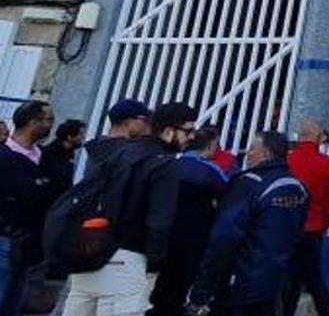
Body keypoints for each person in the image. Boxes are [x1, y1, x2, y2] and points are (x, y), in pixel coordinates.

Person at [63, 102, 196, 316]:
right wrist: (155, 264)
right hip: (129, 259)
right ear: (169, 131)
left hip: (91, 251)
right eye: (189, 130)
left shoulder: (119, 152)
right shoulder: (163, 164)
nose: (192, 137)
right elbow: (159, 221)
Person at [187, 131, 308, 316]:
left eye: (252, 148)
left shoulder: (247, 184)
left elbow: (223, 238)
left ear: (266, 153)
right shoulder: (297, 188)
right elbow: (297, 234)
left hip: (239, 281)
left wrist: (202, 290)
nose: (247, 153)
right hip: (274, 281)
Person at [148, 126, 228, 316]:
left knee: (161, 286)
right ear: (211, 146)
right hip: (193, 239)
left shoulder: (170, 164)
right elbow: (228, 199)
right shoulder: (211, 172)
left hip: (163, 234)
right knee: (180, 287)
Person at [0, 101, 57, 316]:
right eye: (48, 120)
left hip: (31, 244)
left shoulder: (46, 157)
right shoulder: (4, 157)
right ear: (32, 122)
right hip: (6, 240)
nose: (51, 125)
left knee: (15, 302)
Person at [283, 122, 329, 316]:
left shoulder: (287, 160)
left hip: (287, 228)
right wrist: (324, 225)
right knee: (315, 280)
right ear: (318, 138)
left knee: (289, 279)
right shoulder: (326, 163)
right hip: (312, 228)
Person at [82, 99, 152, 179]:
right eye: (144, 120)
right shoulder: (128, 153)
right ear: (128, 122)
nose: (147, 125)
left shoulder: (99, 147)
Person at [42, 119, 87, 191]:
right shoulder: (52, 154)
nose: (83, 138)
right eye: (80, 135)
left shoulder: (68, 154)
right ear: (69, 137)